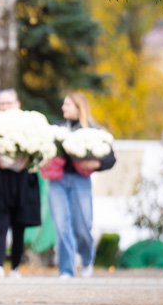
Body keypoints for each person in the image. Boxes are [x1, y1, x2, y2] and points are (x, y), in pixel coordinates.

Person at [49, 92, 115, 279]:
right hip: (57, 181)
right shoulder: (57, 128)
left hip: (80, 181)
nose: (63, 108)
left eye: (67, 105)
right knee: (61, 226)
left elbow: (111, 158)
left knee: (82, 226)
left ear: (79, 108)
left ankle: (86, 259)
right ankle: (67, 270)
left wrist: (96, 164)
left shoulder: (93, 130)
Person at [0, 89, 42, 279]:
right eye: (2, 104)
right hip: (0, 182)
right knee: (0, 224)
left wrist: (26, 158)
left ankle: (15, 268)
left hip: (23, 182)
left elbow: (39, 150)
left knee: (19, 226)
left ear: (18, 104)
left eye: (9, 103)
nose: (5, 107)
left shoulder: (30, 125)